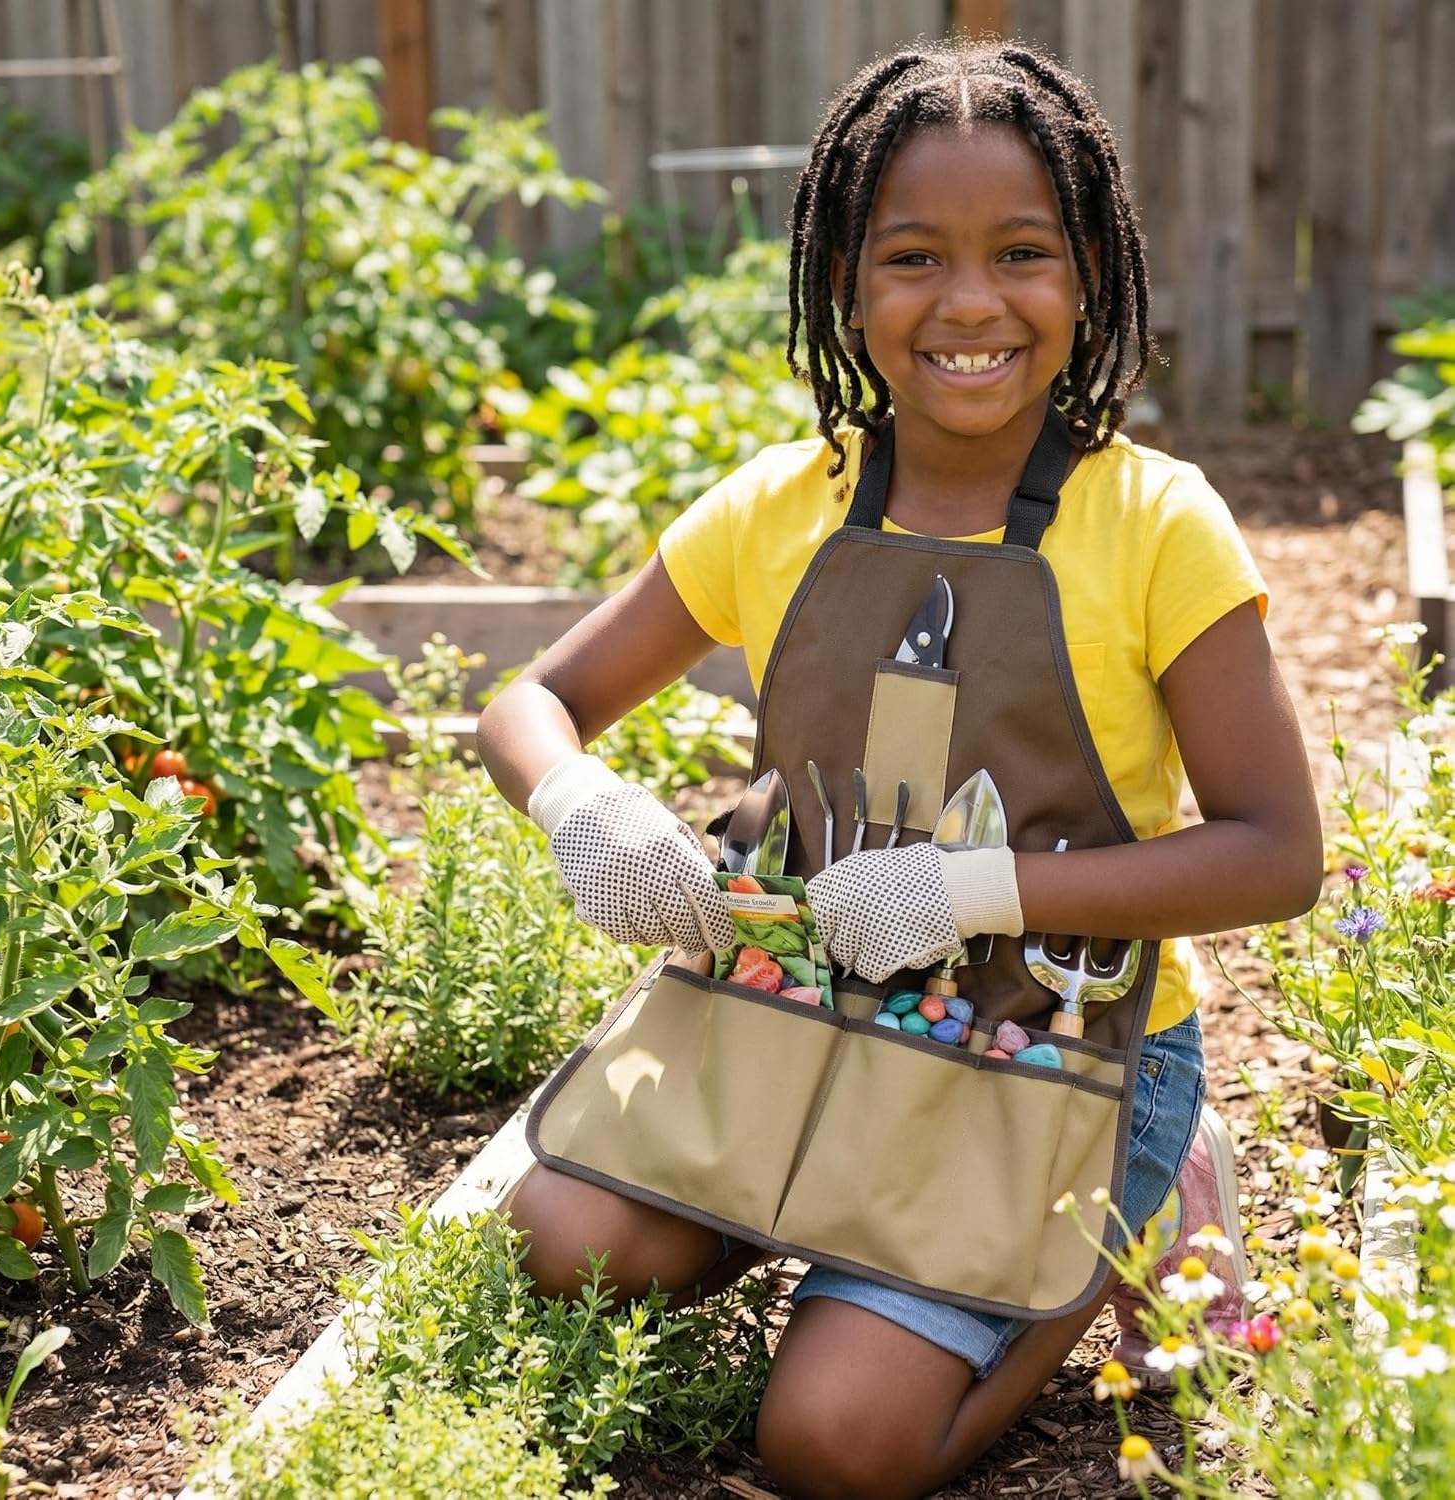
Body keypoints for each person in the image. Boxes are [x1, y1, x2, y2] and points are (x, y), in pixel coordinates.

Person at [478, 36, 1322, 1500]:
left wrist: (976, 887)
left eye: (1023, 254)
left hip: (1058, 1053)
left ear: (1090, 280)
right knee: (568, 1250)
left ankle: (1124, 1234)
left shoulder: (1158, 526)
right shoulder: (780, 504)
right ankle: (825, 1217)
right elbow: (534, 702)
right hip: (799, 1014)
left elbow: (1276, 854)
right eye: (915, 257)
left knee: (835, 1444)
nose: (972, 303)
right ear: (849, 288)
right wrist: (580, 801)